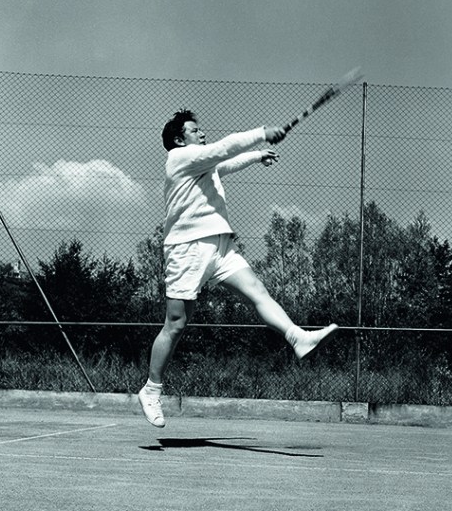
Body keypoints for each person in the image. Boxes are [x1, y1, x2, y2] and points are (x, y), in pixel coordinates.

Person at [137, 109, 338, 427]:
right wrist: (262, 131)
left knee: (258, 290)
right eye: (194, 130)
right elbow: (224, 149)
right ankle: (151, 390)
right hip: (187, 249)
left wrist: (258, 155)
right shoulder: (179, 158)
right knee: (176, 324)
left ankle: (297, 337)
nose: (201, 133)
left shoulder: (202, 164)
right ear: (179, 139)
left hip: (220, 246)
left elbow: (225, 163)